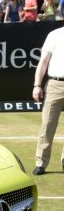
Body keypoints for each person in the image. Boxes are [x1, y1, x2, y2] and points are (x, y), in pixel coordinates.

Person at [32, 26, 64, 175]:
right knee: (47, 125)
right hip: (55, 84)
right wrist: (37, 85)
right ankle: (41, 163)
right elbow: (43, 62)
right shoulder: (54, 34)